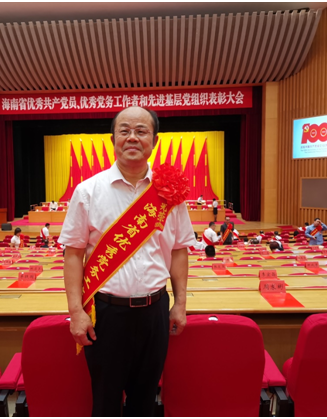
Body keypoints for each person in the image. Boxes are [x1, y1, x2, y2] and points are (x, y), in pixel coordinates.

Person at [60, 106, 195, 416]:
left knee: (145, 401)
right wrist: (76, 311)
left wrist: (180, 303)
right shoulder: (88, 191)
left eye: (141, 131)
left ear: (154, 141)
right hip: (106, 314)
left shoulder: (169, 193)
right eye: (124, 131)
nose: (132, 137)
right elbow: (73, 254)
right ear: (113, 139)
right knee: (105, 401)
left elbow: (178, 250)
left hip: (155, 312)